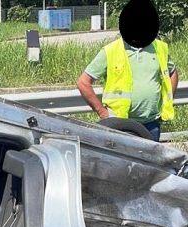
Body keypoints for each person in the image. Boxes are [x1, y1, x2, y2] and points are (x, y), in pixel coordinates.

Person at [76, 0, 179, 141]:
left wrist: (167, 100)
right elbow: (83, 82)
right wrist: (102, 112)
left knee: (150, 162)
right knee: (121, 163)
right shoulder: (110, 51)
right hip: (120, 125)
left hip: (151, 124)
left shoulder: (160, 48)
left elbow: (172, 72)